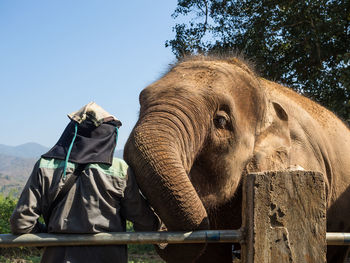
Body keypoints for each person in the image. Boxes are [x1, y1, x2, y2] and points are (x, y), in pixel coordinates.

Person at [10, 102, 160, 263]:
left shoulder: (45, 165)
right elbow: (145, 222)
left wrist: (47, 236)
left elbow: (21, 222)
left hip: (57, 257)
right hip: (107, 256)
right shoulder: (120, 170)